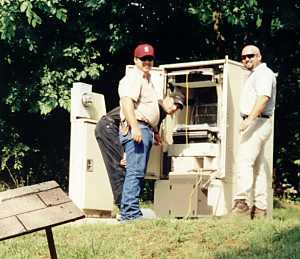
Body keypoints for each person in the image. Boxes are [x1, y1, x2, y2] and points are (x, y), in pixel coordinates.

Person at [94, 94, 184, 210]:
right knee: (121, 167)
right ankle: (124, 208)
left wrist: (156, 135)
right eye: (174, 103)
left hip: (112, 128)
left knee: (126, 168)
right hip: (110, 126)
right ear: (167, 99)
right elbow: (132, 121)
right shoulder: (156, 107)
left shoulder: (159, 111)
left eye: (177, 108)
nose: (174, 108)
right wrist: (126, 151)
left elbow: (152, 125)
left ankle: (126, 207)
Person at [232, 45, 276, 219]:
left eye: (251, 56)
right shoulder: (256, 74)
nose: (247, 59)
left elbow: (263, 98)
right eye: (243, 57)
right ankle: (260, 209)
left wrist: (249, 120)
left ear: (259, 56)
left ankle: (241, 202)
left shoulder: (263, 74)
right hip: (261, 121)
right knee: (258, 168)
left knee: (244, 161)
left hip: (257, 121)